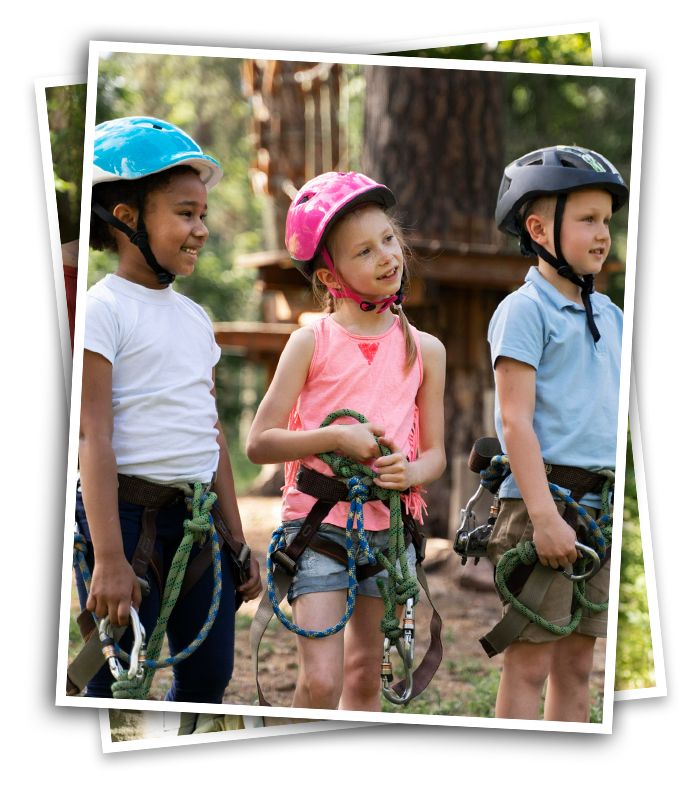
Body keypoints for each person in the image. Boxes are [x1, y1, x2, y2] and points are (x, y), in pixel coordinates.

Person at [76, 116, 261, 702]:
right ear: (126, 218)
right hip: (124, 520)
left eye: (203, 214)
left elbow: (209, 435)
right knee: (110, 679)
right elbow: (93, 436)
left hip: (198, 524)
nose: (201, 229)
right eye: (185, 213)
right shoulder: (102, 310)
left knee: (209, 678)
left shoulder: (194, 318)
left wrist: (235, 538)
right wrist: (107, 557)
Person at [246, 171, 446, 711]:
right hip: (317, 525)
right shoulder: (309, 342)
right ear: (332, 278)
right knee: (322, 680)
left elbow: (436, 455)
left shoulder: (425, 350)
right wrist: (334, 436)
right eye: (364, 250)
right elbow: (259, 443)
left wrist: (412, 473)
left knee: (363, 677)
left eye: (388, 239)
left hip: (389, 529)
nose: (387, 256)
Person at [487, 145, 629, 721]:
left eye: (608, 222)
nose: (603, 235)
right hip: (541, 506)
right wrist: (544, 517)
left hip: (601, 506)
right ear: (539, 228)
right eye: (588, 220)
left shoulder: (614, 317)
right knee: (529, 665)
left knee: (578, 665)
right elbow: (514, 420)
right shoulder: (525, 311)